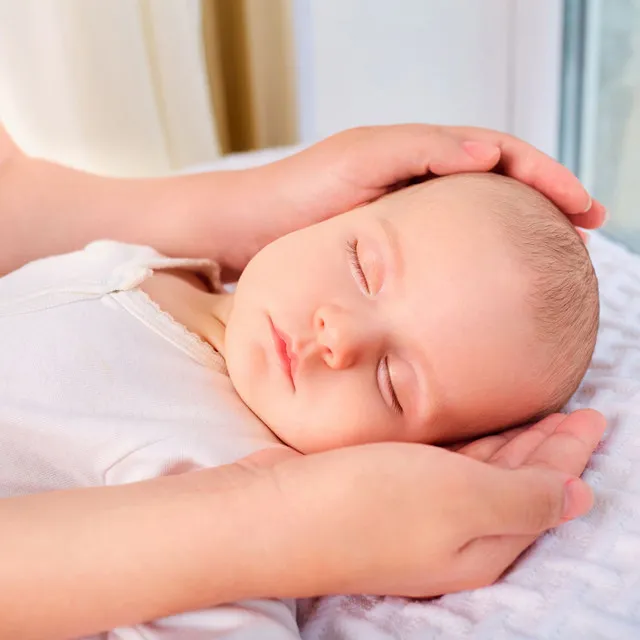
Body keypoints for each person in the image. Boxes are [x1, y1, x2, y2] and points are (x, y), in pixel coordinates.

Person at [0, 124, 606, 639]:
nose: (339, 337)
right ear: (334, 216)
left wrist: (287, 526)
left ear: (410, 456)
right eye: (360, 266)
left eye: (392, 381)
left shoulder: (221, 470)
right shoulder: (150, 259)